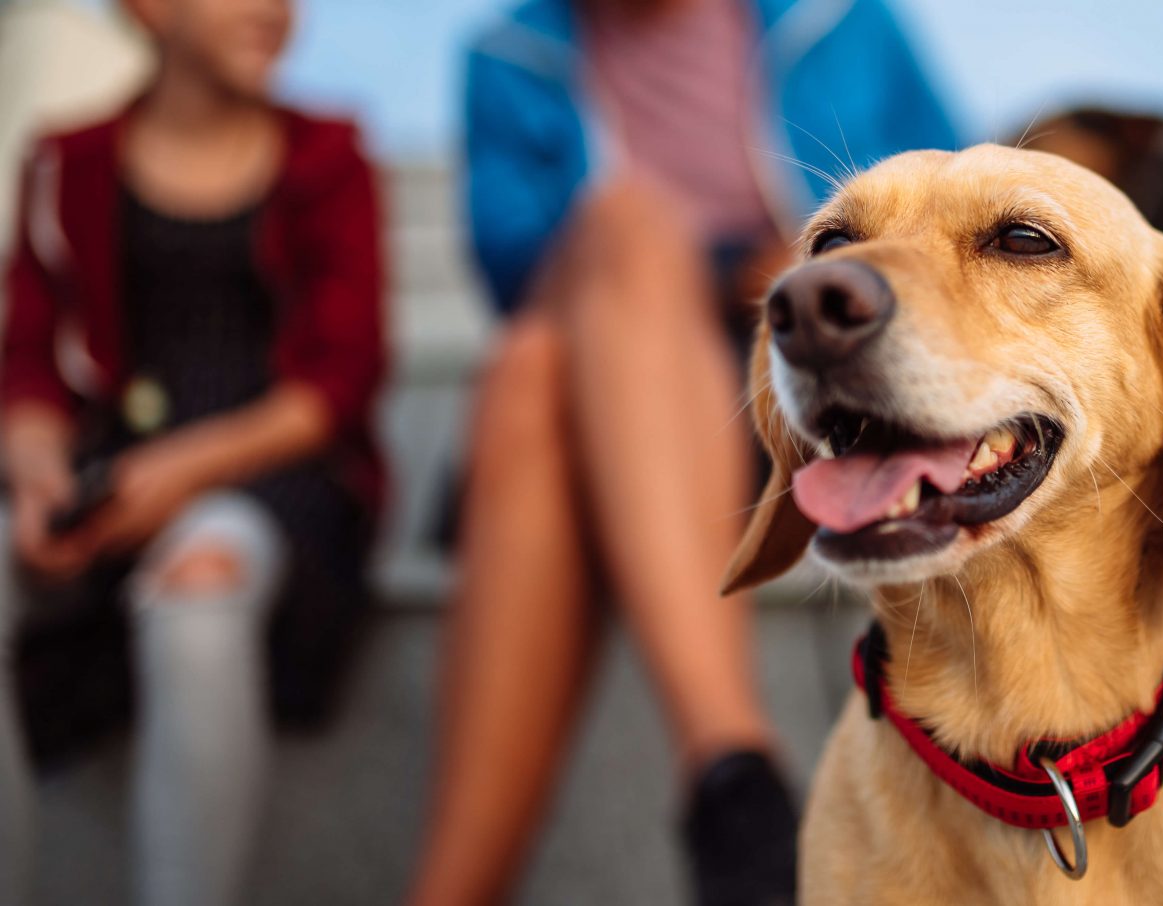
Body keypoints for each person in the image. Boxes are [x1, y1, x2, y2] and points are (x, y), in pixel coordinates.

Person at [404, 1, 956, 904]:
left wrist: (825, 259)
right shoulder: (508, 57)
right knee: (584, 285)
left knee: (525, 373)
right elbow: (513, 268)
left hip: (803, 397)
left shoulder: (839, 20)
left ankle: (468, 887)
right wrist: (708, 267)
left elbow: (959, 205)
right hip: (616, 383)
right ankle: (733, 769)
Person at [0, 0, 385, 903]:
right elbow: (27, 367)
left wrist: (172, 474)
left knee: (201, 577)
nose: (275, 10)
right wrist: (38, 476)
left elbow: (335, 384)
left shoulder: (329, 156)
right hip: (108, 469)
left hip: (272, 481)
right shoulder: (67, 162)